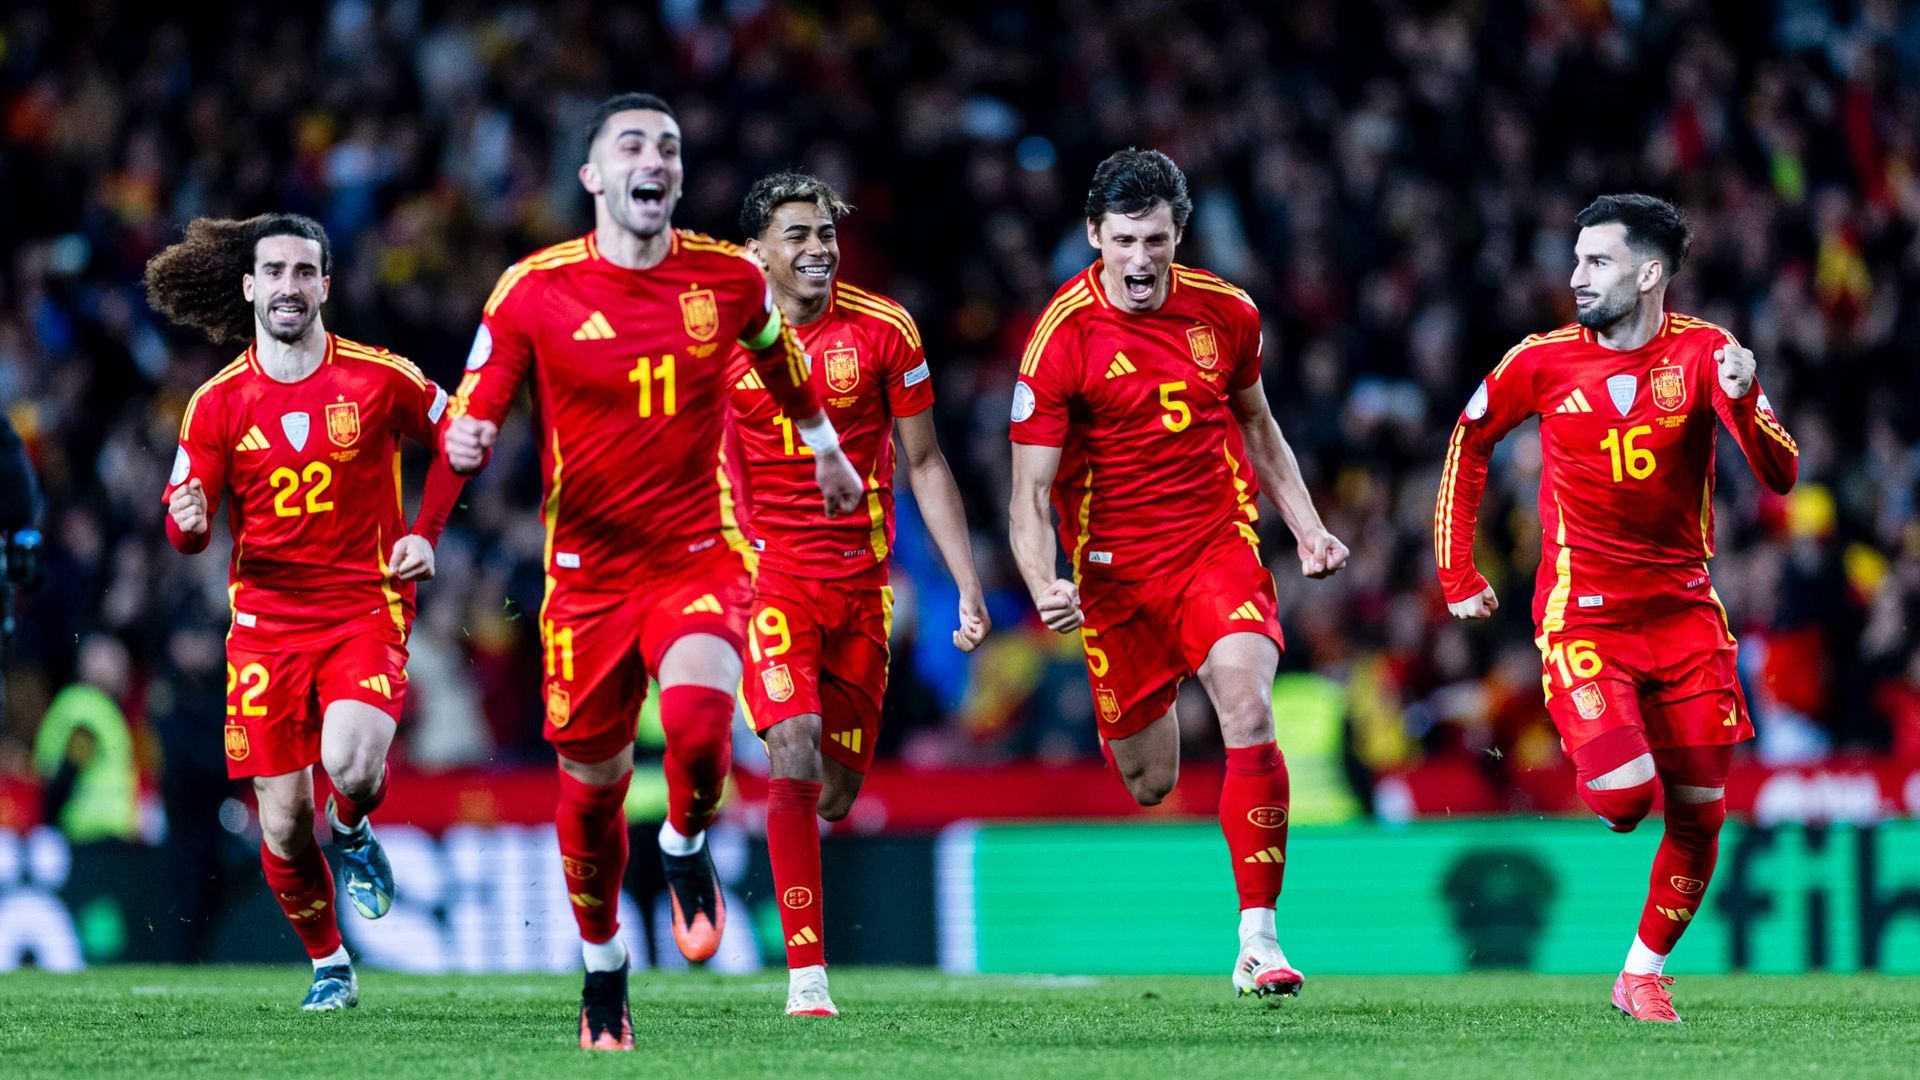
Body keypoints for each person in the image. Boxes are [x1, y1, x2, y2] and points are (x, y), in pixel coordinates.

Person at [442, 93, 862, 1051]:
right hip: (585, 578)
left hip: (697, 558)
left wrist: (824, 443)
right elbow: (483, 399)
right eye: (631, 144)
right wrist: (463, 442)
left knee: (704, 727)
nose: (655, 158)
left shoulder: (728, 278)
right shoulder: (533, 289)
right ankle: (602, 968)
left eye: (669, 146)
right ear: (592, 175)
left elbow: (780, 356)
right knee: (589, 792)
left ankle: (682, 843)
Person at [1434, 193, 1798, 1022]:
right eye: (1576, 260)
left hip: (1686, 619)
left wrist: (1745, 396)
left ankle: (1640, 974)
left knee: (1703, 815)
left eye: (1596, 262)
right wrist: (1457, 571)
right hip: (1586, 617)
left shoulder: (1710, 353)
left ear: (1649, 272)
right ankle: (1593, 728)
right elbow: (1470, 436)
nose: (1576, 277)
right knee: (1628, 800)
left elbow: (1780, 475)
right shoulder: (1542, 360)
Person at [1008, 148, 1349, 1000]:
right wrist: (1043, 577)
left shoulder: (1228, 314)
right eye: (1121, 241)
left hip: (1213, 549)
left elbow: (1259, 426)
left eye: (1155, 240)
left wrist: (1306, 528)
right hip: (1113, 581)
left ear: (1178, 235)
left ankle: (1259, 941)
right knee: (1150, 781)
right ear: (1094, 236)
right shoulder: (1060, 338)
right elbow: (1029, 491)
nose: (1138, 260)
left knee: (1248, 700)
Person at [147, 213, 465, 1010]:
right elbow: (186, 527)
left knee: (353, 766)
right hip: (265, 627)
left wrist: (426, 533)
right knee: (284, 823)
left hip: (364, 606)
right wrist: (186, 524)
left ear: (325, 284)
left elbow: (461, 439)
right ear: (251, 287)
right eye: (275, 272)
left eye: (304, 272)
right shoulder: (216, 405)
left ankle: (353, 825)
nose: (289, 286)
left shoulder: (379, 377)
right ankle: (330, 964)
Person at [726, 172, 990, 1017]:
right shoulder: (717, 341)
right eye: (797, 234)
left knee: (832, 791)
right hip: (766, 581)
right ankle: (808, 978)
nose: (817, 249)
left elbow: (925, 463)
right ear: (755, 252)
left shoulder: (883, 329)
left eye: (826, 235)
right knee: (792, 746)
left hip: (862, 592)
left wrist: (966, 584)